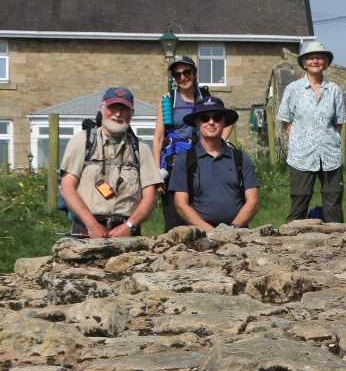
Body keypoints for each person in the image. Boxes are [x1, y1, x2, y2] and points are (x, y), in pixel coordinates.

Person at [59, 87, 161, 238]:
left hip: (127, 233)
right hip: (85, 231)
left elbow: (150, 196)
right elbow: (67, 187)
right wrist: (92, 225)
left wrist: (129, 225)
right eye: (112, 107)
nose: (118, 114)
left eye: (124, 109)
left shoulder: (141, 149)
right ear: (102, 108)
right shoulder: (82, 141)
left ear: (132, 113)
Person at [276, 39, 346, 222]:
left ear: (326, 62)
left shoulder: (334, 90)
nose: (315, 61)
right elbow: (285, 120)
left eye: (319, 57)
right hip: (301, 155)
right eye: (310, 58)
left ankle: (337, 237)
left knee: (333, 202)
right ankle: (290, 238)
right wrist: (300, 139)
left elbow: (338, 123)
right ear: (304, 63)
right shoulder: (293, 89)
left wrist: (324, 137)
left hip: (330, 154)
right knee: (300, 200)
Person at [151, 56, 223, 232]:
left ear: (195, 74)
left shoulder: (205, 97)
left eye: (187, 72)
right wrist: (156, 173)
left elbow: (226, 122)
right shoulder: (168, 100)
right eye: (177, 75)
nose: (183, 77)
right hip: (174, 163)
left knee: (202, 211)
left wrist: (219, 145)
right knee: (174, 215)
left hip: (202, 162)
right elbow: (158, 137)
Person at [169, 96, 260, 232]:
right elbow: (181, 205)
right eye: (205, 118)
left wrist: (232, 230)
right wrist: (212, 232)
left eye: (217, 118)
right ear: (197, 123)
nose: (211, 122)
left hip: (237, 232)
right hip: (199, 235)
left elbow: (253, 200)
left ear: (224, 123)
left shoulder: (240, 158)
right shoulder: (185, 160)